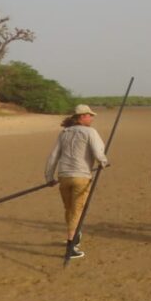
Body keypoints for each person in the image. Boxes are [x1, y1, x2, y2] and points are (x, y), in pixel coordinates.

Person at [44, 104, 110, 260]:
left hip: (64, 176)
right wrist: (103, 162)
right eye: (89, 115)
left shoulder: (64, 133)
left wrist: (49, 177)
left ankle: (75, 235)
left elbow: (53, 156)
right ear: (82, 116)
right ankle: (71, 246)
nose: (92, 118)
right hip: (81, 176)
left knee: (69, 209)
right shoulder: (90, 132)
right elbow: (98, 152)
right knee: (76, 210)